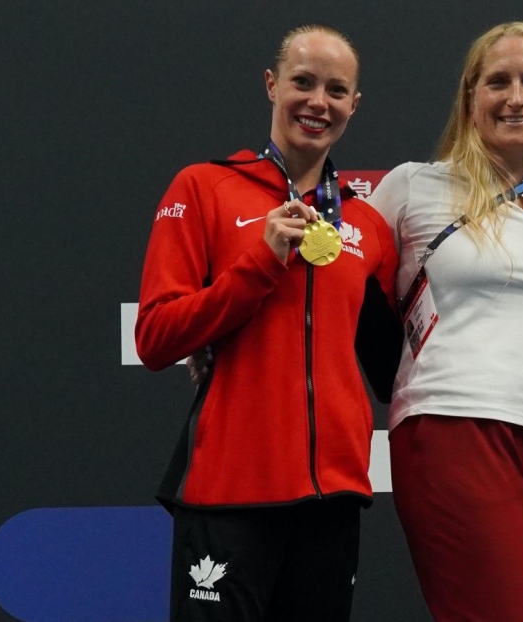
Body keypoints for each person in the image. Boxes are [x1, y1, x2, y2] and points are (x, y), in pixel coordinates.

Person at [135, 24, 399, 622]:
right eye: (303, 83)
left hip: (331, 499)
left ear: (353, 105)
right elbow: (154, 338)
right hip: (228, 490)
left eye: (336, 90)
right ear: (271, 85)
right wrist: (260, 263)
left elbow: (394, 364)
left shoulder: (369, 226)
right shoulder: (203, 187)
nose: (317, 103)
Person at [366, 21, 523, 622]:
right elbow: (327, 286)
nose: (516, 97)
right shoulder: (412, 188)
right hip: (453, 426)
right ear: (469, 96)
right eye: (497, 81)